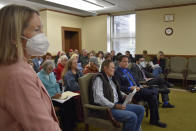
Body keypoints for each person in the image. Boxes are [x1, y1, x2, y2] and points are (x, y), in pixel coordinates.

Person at [0, 5, 61, 131]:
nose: (42, 36)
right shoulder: (17, 74)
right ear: (14, 36)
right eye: (37, 30)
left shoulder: (15, 66)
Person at [90, 60, 145, 131]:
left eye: (114, 68)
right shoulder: (99, 78)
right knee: (133, 116)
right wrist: (114, 105)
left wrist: (125, 95)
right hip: (107, 109)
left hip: (117, 104)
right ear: (105, 68)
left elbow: (115, 91)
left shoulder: (111, 78)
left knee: (141, 109)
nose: (114, 70)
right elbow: (98, 98)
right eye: (112, 68)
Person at [115, 55, 167, 128]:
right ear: (119, 62)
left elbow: (135, 80)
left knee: (153, 97)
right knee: (153, 93)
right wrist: (130, 87)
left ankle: (154, 120)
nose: (127, 63)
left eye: (127, 61)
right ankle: (158, 90)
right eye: (124, 61)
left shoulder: (128, 70)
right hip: (131, 92)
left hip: (138, 89)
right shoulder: (117, 72)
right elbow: (119, 87)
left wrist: (140, 85)